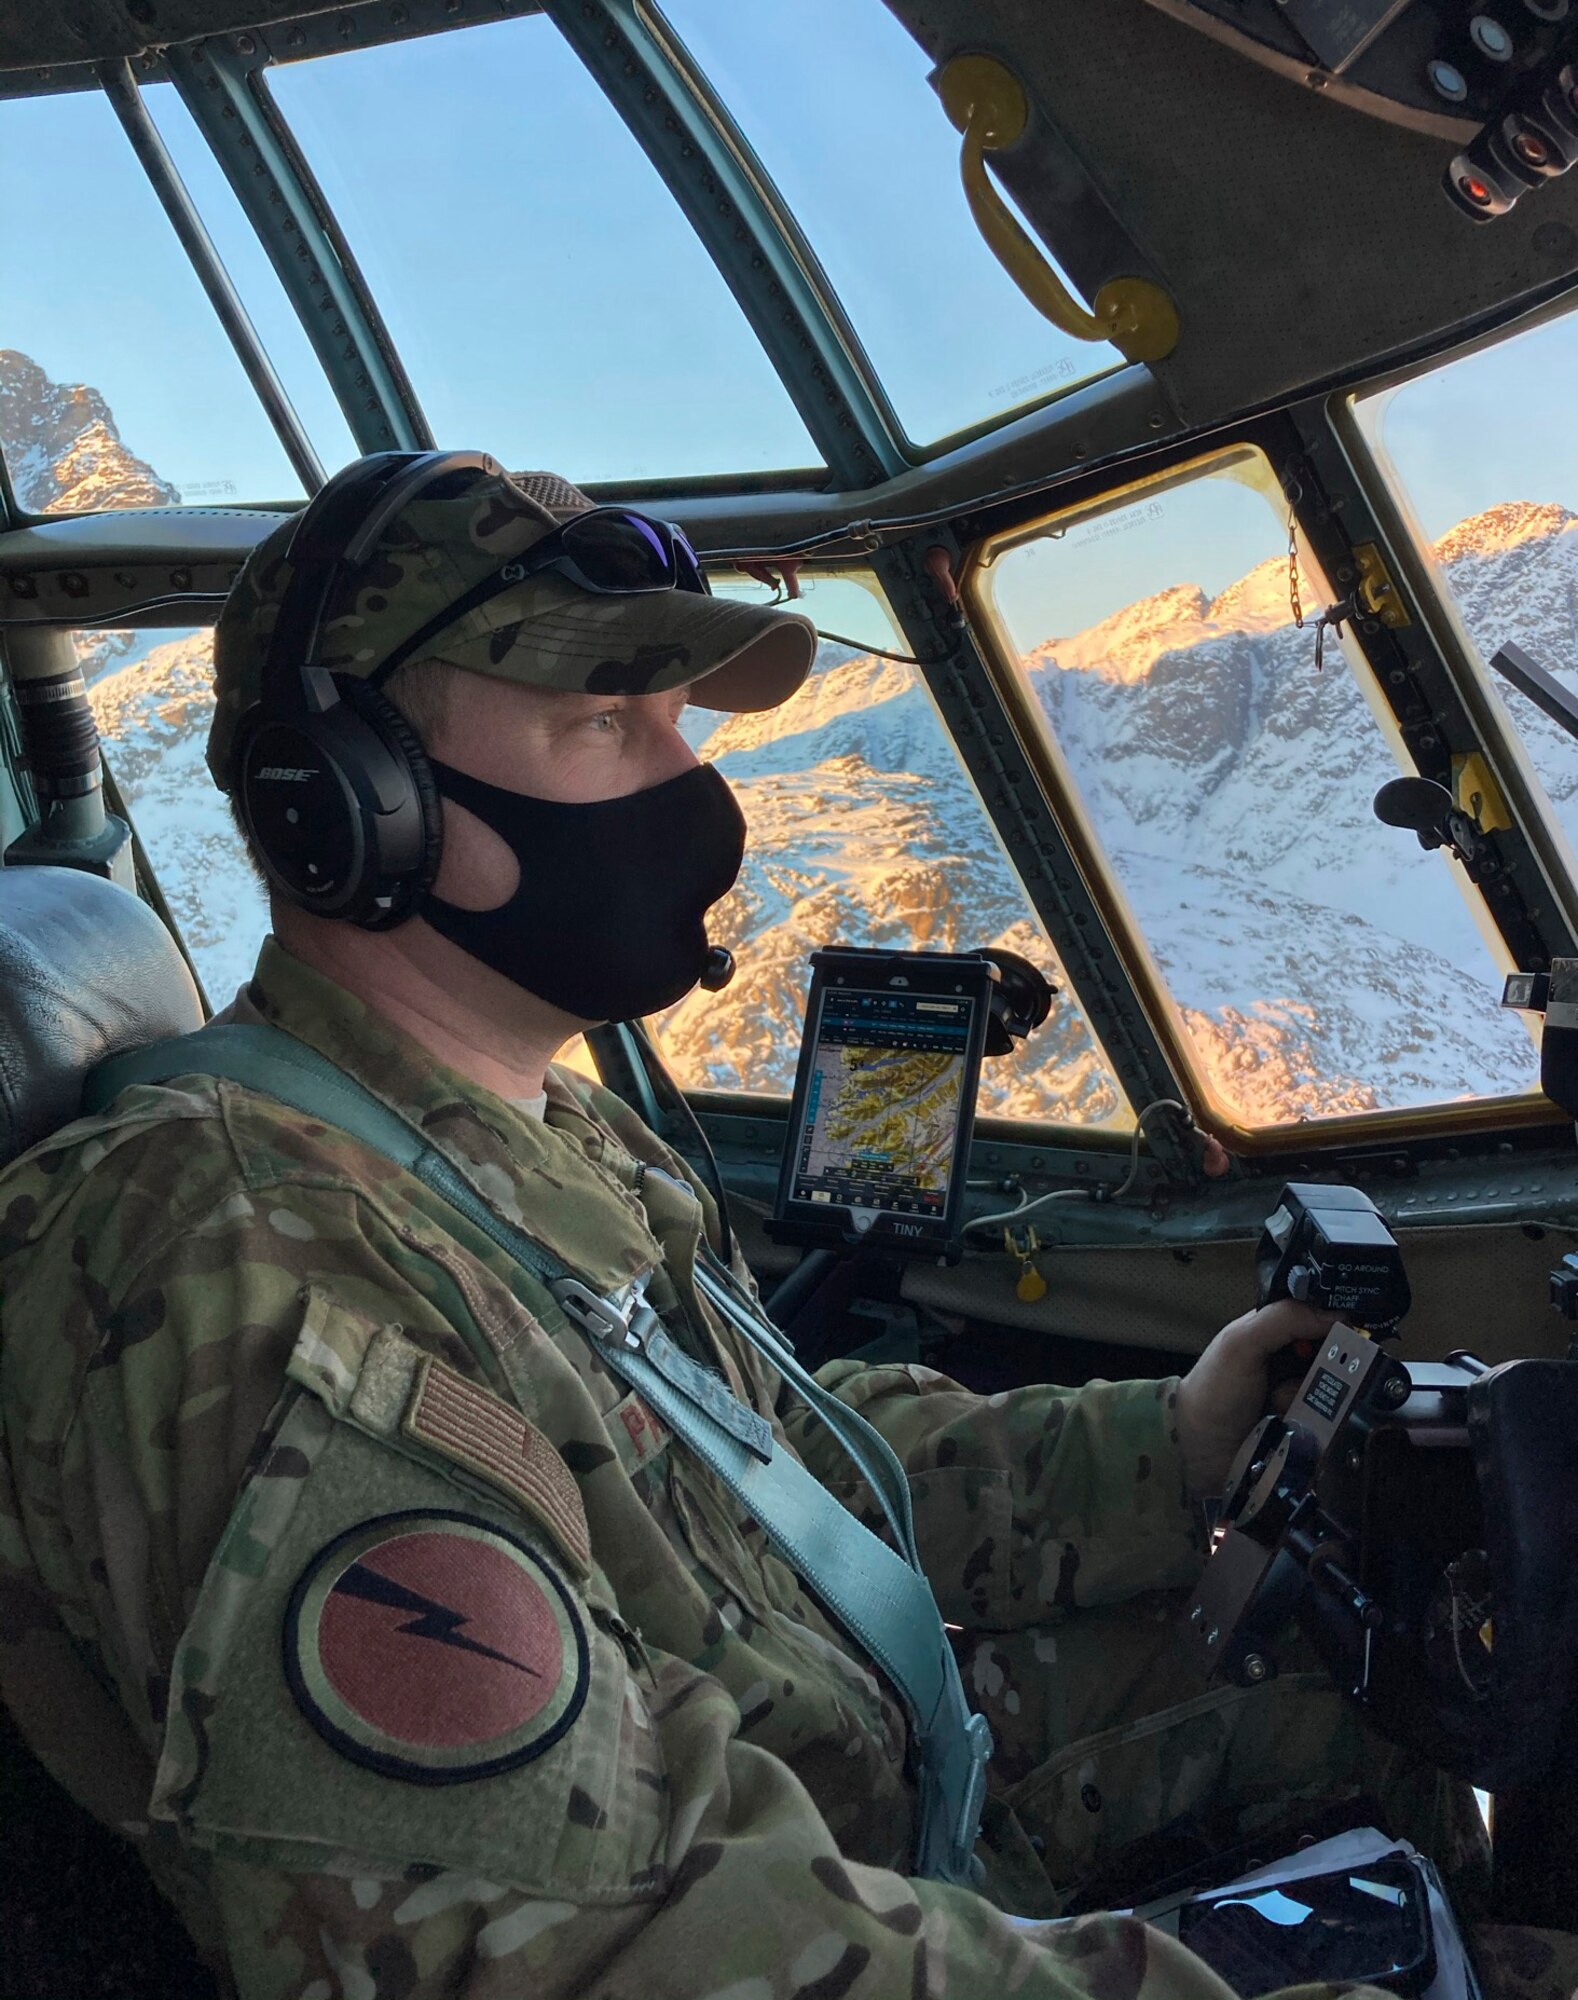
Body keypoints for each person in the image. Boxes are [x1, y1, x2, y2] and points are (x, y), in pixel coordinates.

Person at [0, 454, 1530, 2000]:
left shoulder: (553, 1133)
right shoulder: (248, 1254)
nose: (688, 789)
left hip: (879, 1794)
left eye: (676, 719)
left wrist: (1168, 1449)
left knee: (1364, 1685)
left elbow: (770, 1470)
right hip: (767, 1899)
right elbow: (567, 1953)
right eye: (601, 718)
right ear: (341, 801)